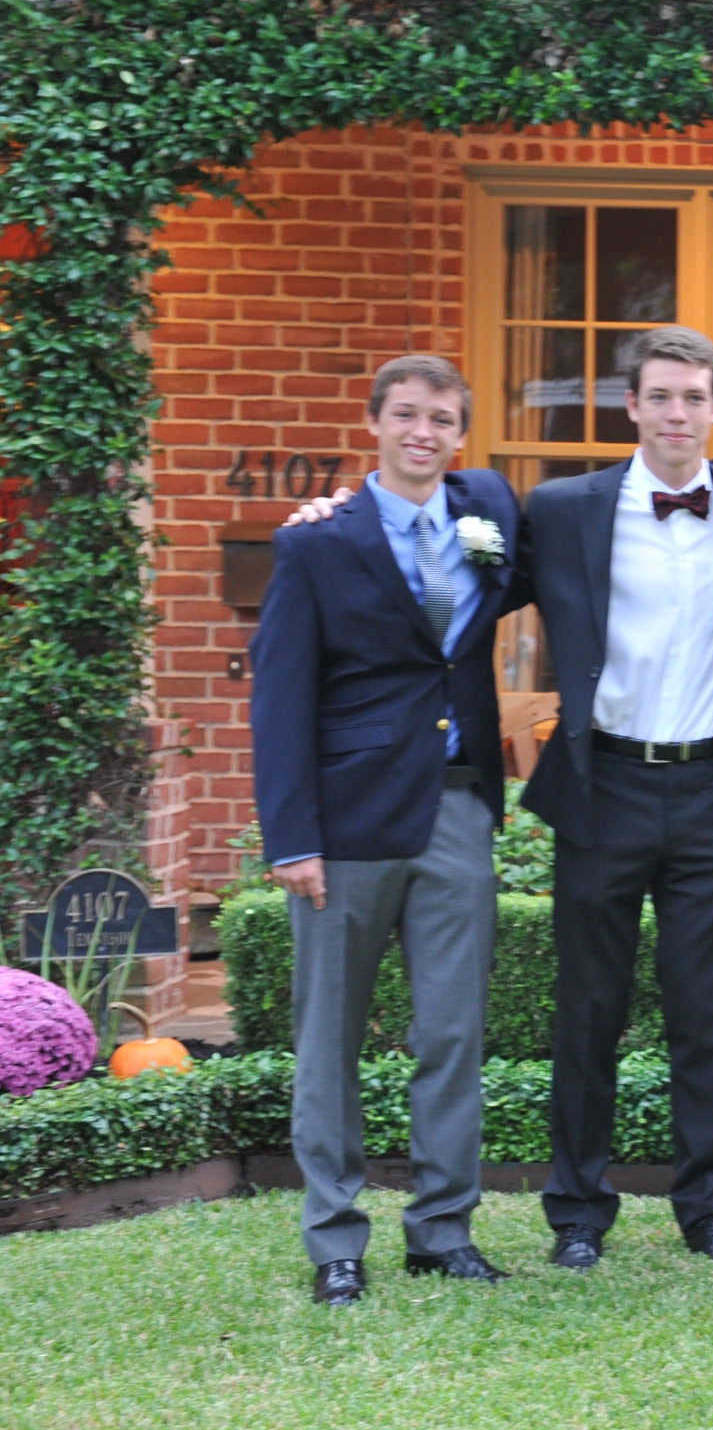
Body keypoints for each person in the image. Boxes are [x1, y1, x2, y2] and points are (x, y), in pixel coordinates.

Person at [251, 354, 520, 1305]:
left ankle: (442, 1230)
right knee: (330, 1039)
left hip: (456, 809)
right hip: (348, 817)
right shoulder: (317, 542)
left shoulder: (487, 512)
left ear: (460, 432)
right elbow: (279, 697)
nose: (423, 431)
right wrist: (291, 838)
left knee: (453, 1031)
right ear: (373, 422)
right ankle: (335, 1238)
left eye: (442, 418)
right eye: (405, 414)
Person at [516, 325, 713, 1271]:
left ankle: (706, 1208)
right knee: (588, 1009)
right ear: (630, 407)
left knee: (705, 1011)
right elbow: (456, 560)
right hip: (605, 785)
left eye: (694, 397)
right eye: (659, 397)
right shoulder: (564, 509)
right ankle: (578, 1213)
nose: (677, 413)